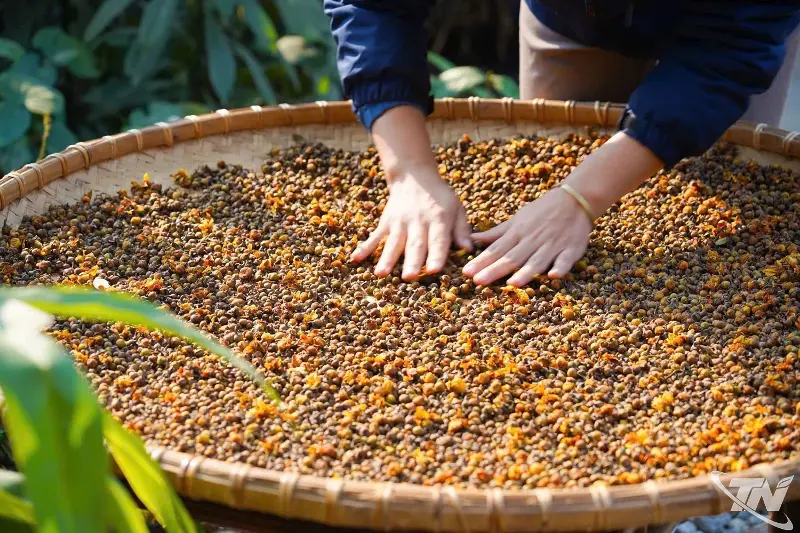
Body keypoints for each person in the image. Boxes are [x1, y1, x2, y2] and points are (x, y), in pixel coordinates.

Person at [323, 1, 800, 287]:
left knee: (726, 182)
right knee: (551, 159)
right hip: (570, 19)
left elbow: (730, 53)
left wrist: (581, 197)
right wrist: (409, 170)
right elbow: (373, 7)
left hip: (726, 30)